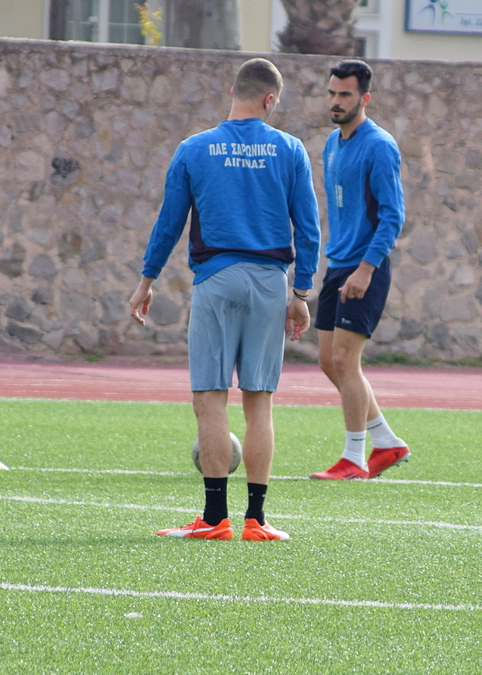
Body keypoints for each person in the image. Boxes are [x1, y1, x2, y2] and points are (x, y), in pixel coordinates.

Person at [129, 58, 320, 541]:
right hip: (270, 283)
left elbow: (169, 222)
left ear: (233, 92)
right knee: (259, 402)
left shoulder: (194, 148)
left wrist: (147, 280)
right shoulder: (290, 149)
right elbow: (309, 228)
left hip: (216, 279)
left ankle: (215, 519)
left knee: (210, 397)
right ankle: (257, 520)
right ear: (270, 100)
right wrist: (301, 293)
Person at [310, 60, 410, 481]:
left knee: (345, 360)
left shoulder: (380, 145)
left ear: (364, 98)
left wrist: (366, 268)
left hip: (364, 266)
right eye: (332, 93)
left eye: (345, 94)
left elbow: (393, 215)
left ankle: (354, 458)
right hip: (338, 265)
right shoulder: (332, 143)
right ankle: (386, 442)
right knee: (328, 361)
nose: (336, 101)